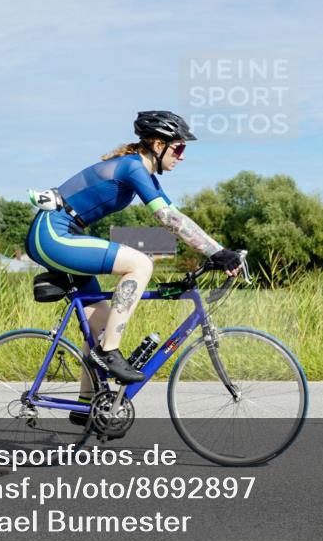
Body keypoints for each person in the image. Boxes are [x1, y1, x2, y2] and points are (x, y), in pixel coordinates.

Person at [24, 111, 243, 406]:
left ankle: (88, 403)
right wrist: (218, 253)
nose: (182, 156)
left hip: (64, 233)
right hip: (53, 233)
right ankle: (108, 352)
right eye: (178, 148)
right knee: (140, 264)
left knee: (99, 318)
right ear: (157, 144)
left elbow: (176, 215)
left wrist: (218, 250)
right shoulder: (132, 167)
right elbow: (168, 218)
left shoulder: (141, 171)